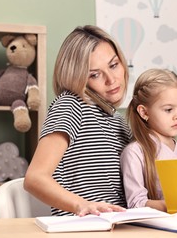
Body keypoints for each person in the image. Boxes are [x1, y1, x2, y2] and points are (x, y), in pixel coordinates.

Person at [24, 25, 131, 217]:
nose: (111, 79)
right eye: (95, 74)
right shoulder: (71, 105)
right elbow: (35, 178)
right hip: (85, 227)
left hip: (122, 226)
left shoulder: (119, 122)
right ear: (77, 77)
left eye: (114, 65)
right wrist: (81, 205)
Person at [121, 68, 177, 212]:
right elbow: (136, 202)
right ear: (144, 112)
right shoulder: (135, 153)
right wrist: (169, 205)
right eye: (169, 110)